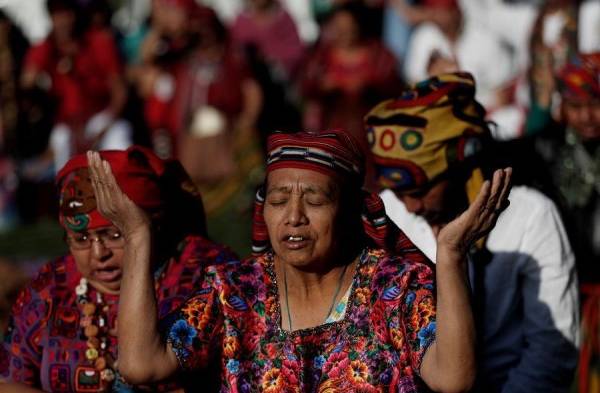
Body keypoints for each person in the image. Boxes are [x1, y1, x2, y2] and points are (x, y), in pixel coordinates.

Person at [86, 127, 511, 391]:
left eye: (313, 200)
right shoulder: (232, 291)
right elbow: (142, 365)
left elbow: (454, 378)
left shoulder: (393, 287)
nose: (293, 217)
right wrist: (138, 237)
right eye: (278, 199)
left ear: (347, 212)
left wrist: (451, 257)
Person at [366, 72, 579, 392]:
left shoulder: (530, 215)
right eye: (399, 192)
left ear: (460, 164)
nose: (410, 206)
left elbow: (551, 350)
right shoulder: (387, 215)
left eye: (421, 190)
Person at [0, 146, 238, 392]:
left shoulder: (205, 275)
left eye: (115, 235)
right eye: (80, 239)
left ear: (151, 227)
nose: (98, 253)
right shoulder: (51, 286)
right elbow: (7, 383)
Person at [21, 0, 131, 175]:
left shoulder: (99, 42)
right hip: (67, 126)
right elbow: (27, 83)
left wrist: (100, 132)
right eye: (57, 14)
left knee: (120, 148)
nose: (63, 20)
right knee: (62, 148)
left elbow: (120, 92)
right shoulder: (46, 48)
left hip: (102, 119)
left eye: (67, 13)